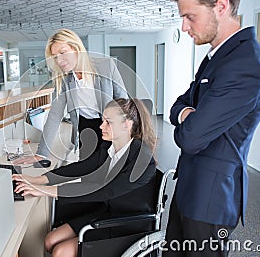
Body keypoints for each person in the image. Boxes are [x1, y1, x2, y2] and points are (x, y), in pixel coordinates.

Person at [165, 0, 260, 256]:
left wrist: (190, 118)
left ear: (221, 7)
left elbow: (189, 138)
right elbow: (176, 107)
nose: (184, 26)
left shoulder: (247, 62)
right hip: (190, 189)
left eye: (190, 16)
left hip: (210, 201)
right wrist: (186, 114)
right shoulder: (218, 57)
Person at [13, 98, 157, 257]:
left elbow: (104, 191)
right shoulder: (110, 147)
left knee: (60, 252)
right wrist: (35, 180)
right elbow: (81, 168)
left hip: (126, 224)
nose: (101, 126)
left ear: (127, 125)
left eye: (108, 122)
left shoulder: (141, 159)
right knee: (50, 240)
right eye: (102, 120)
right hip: (107, 211)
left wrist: (44, 191)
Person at [13, 28, 128, 164]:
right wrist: (42, 153)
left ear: (76, 48)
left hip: (110, 125)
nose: (59, 60)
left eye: (63, 52)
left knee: (110, 169)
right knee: (86, 171)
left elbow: (124, 103)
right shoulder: (63, 79)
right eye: (55, 56)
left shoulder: (106, 66)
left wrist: (125, 136)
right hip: (85, 126)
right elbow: (54, 115)